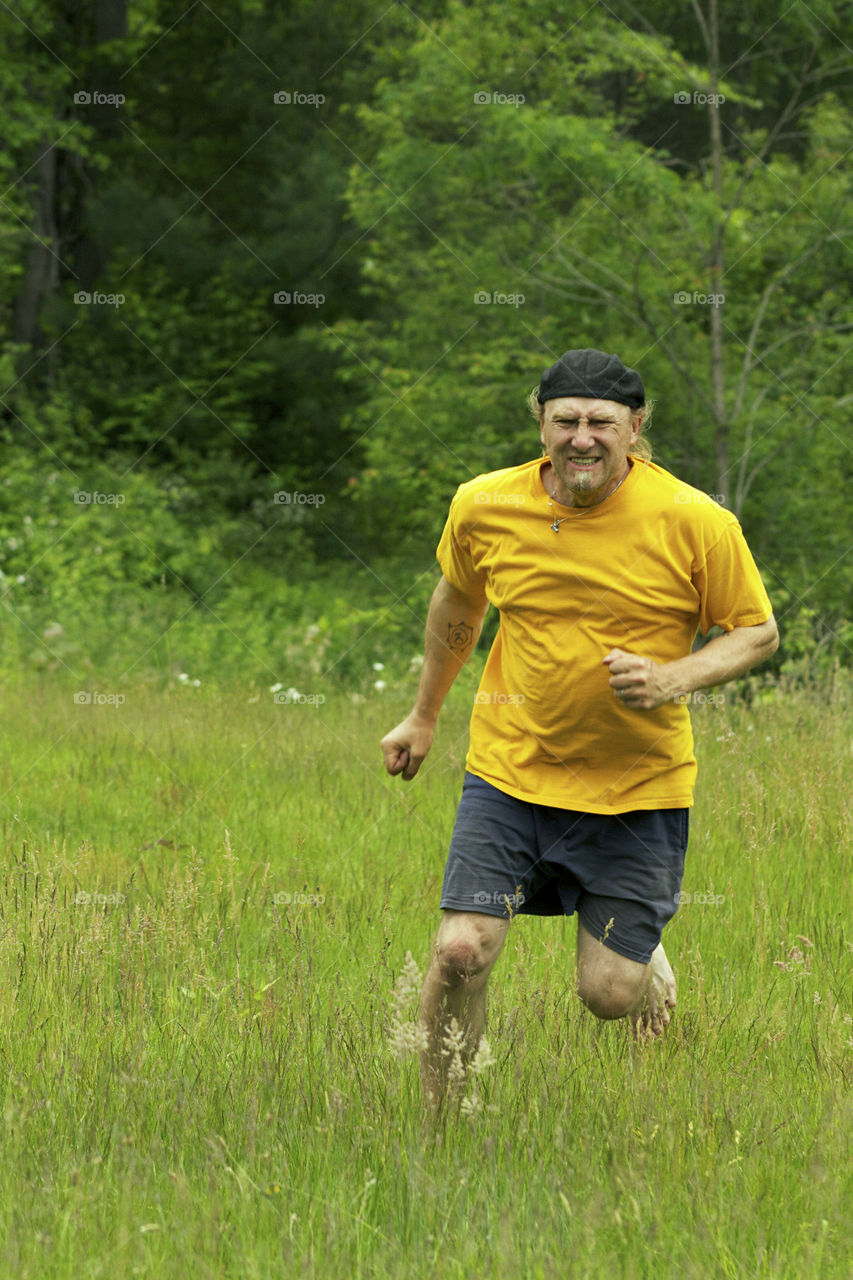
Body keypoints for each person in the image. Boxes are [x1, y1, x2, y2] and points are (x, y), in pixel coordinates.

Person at [380, 348, 778, 1105]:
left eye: (600, 422)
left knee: (607, 996)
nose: (581, 437)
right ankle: (443, 1125)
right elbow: (457, 606)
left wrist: (671, 678)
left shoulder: (695, 519)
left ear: (634, 427)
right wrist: (422, 714)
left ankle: (641, 950)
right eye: (564, 420)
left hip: (638, 786)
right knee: (461, 951)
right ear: (541, 423)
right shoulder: (484, 504)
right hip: (511, 772)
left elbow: (755, 631)